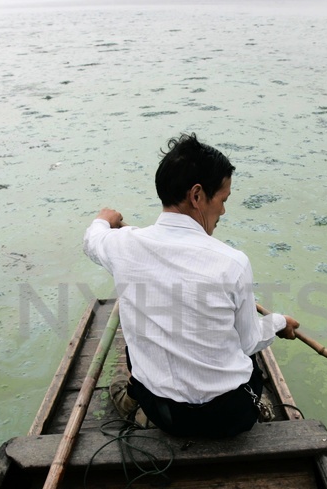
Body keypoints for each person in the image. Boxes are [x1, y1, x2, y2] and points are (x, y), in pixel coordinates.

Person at [83, 133, 299, 438]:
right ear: (197, 196)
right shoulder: (232, 263)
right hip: (227, 420)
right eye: (222, 200)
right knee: (246, 347)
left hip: (161, 412)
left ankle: (133, 398)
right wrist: (277, 322)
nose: (223, 211)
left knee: (136, 341)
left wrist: (104, 218)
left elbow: (91, 240)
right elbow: (249, 343)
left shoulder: (123, 246)